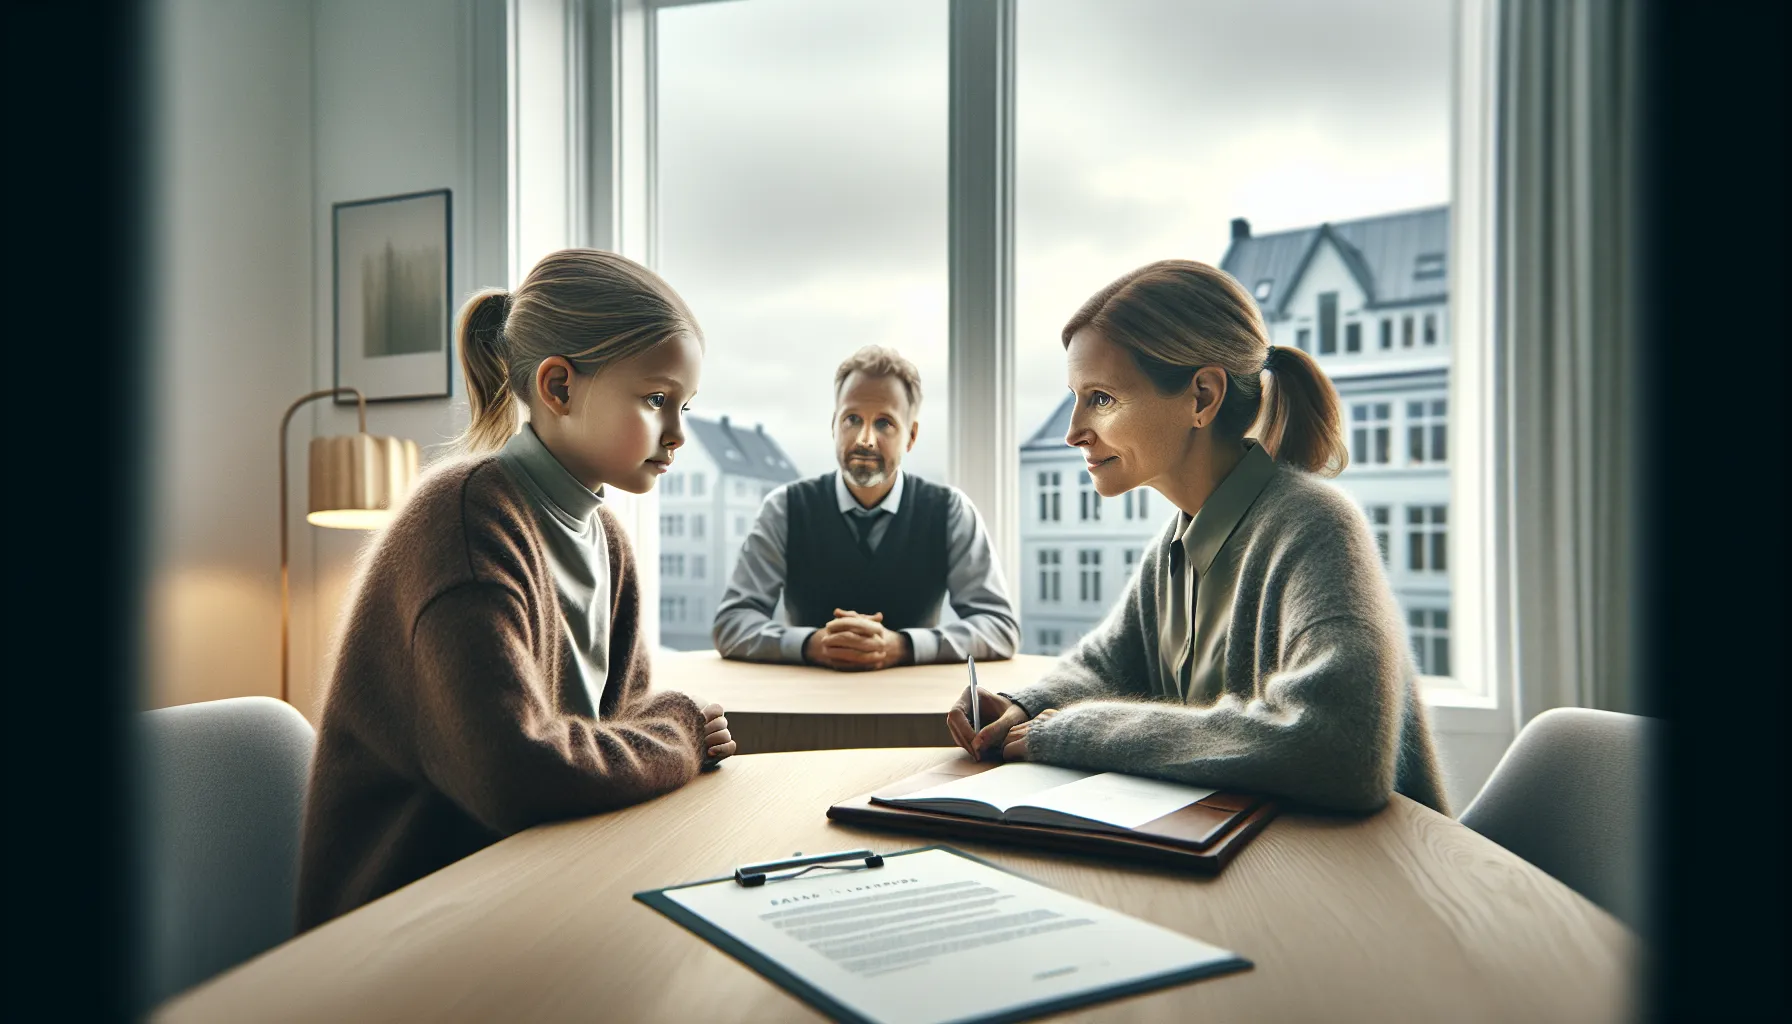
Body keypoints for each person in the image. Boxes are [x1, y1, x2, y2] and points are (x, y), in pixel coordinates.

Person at [297, 249, 737, 931]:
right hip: (407, 928)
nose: (679, 434)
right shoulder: (464, 523)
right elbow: (515, 774)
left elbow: (624, 723)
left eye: (685, 406)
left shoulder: (608, 540)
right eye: (657, 401)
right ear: (558, 388)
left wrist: (662, 729)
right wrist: (677, 732)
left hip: (536, 891)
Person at [947, 260, 1448, 814]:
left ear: (1202, 397)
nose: (1073, 432)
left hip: (1364, 881)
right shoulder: (1174, 541)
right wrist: (1024, 706)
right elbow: (1106, 664)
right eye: (1075, 397)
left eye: (1102, 398)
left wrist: (1071, 733)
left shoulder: (1319, 529)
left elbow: (1337, 749)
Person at [712, 345, 1019, 670]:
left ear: (911, 436)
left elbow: (999, 627)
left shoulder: (951, 511)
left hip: (915, 709)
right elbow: (731, 623)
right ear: (834, 425)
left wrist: (903, 646)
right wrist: (810, 644)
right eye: (852, 419)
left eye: (885, 423)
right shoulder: (784, 508)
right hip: (805, 708)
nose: (865, 439)